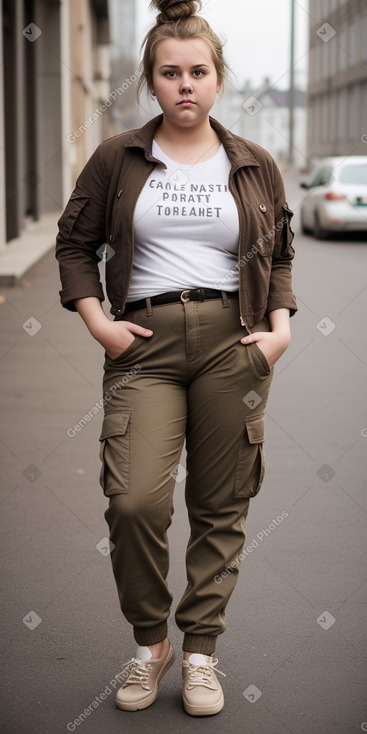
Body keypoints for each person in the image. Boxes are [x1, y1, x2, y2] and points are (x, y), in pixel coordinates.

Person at [56, 0, 297, 718]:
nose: (184, 84)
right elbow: (74, 244)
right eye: (170, 73)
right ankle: (148, 642)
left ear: (217, 79)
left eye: (197, 71)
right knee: (134, 500)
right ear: (151, 82)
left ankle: (198, 654)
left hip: (235, 339)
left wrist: (278, 330)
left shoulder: (254, 163)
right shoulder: (118, 157)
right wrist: (98, 322)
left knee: (220, 506)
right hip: (144, 344)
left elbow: (278, 254)